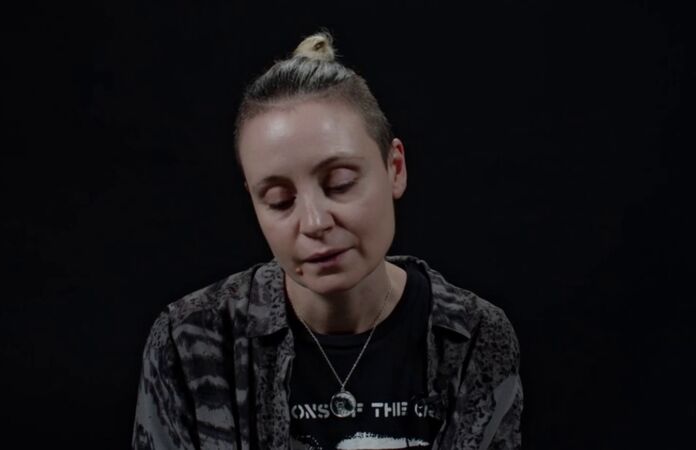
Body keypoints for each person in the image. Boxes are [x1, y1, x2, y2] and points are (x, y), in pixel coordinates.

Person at [133, 30, 522, 450]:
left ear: (395, 167)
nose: (315, 222)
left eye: (339, 184)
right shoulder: (190, 341)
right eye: (280, 201)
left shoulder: (473, 336)